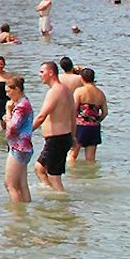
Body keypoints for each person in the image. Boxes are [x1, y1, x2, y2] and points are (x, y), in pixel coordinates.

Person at [32, 61, 74, 193]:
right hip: (63, 137)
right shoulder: (66, 90)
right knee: (39, 168)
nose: (40, 75)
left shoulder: (55, 91)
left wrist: (25, 132)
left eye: (42, 72)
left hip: (57, 139)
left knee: (54, 176)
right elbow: (73, 115)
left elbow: (41, 116)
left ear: (51, 73)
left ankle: (62, 199)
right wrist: (73, 136)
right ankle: (52, 195)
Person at [4, 76, 34, 203]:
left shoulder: (22, 106)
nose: (7, 95)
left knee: (10, 184)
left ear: (16, 89)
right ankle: (25, 210)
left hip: (19, 147)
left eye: (8, 91)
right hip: (25, 147)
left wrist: (8, 112)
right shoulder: (24, 103)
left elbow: (12, 127)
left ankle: (17, 212)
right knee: (22, 185)